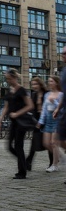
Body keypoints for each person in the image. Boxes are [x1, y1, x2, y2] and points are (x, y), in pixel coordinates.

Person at [0, 68, 34, 179]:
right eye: (6, 79)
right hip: (13, 122)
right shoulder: (10, 91)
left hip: (21, 122)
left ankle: (22, 172)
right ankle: (25, 162)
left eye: (9, 78)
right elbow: (6, 107)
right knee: (9, 146)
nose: (7, 81)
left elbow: (30, 105)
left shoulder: (22, 90)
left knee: (18, 146)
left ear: (14, 78)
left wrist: (17, 113)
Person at [25, 77, 53, 171]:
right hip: (37, 121)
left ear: (40, 84)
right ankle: (28, 162)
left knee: (48, 143)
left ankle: (52, 163)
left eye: (36, 84)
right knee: (34, 142)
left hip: (47, 120)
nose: (34, 86)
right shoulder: (33, 95)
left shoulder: (47, 93)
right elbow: (32, 109)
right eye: (32, 84)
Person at [37, 76, 63, 173]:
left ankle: (54, 165)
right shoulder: (47, 94)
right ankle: (59, 156)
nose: (50, 83)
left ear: (56, 82)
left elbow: (62, 108)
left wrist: (55, 102)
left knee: (53, 143)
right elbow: (44, 108)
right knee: (46, 144)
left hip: (57, 121)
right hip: (48, 120)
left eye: (51, 81)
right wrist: (40, 121)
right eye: (49, 81)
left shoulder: (61, 94)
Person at [53, 46, 66, 184]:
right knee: (59, 140)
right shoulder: (64, 71)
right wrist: (58, 108)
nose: (63, 55)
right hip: (64, 111)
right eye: (62, 53)